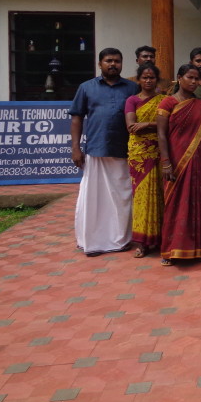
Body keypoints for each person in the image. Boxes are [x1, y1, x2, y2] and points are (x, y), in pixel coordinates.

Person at [70, 48, 137, 257]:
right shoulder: (86, 87)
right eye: (109, 61)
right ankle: (93, 242)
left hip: (124, 151)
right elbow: (76, 118)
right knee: (94, 200)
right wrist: (75, 148)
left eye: (117, 61)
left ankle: (120, 240)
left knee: (122, 198)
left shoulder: (132, 88)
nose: (113, 64)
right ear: (100, 64)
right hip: (96, 150)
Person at [156, 64, 201, 266]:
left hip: (198, 160)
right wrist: (166, 162)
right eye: (189, 77)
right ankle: (170, 250)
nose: (193, 81)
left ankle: (198, 249)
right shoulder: (168, 102)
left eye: (196, 78)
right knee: (174, 204)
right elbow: (161, 134)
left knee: (197, 203)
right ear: (179, 78)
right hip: (175, 160)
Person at [124, 62, 165, 258]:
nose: (148, 81)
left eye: (152, 77)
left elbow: (168, 123)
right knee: (141, 197)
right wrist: (155, 125)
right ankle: (142, 243)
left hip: (160, 152)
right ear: (139, 80)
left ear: (157, 80)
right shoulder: (132, 100)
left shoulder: (163, 100)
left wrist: (147, 124)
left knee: (160, 195)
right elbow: (131, 126)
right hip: (139, 155)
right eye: (145, 78)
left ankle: (160, 239)